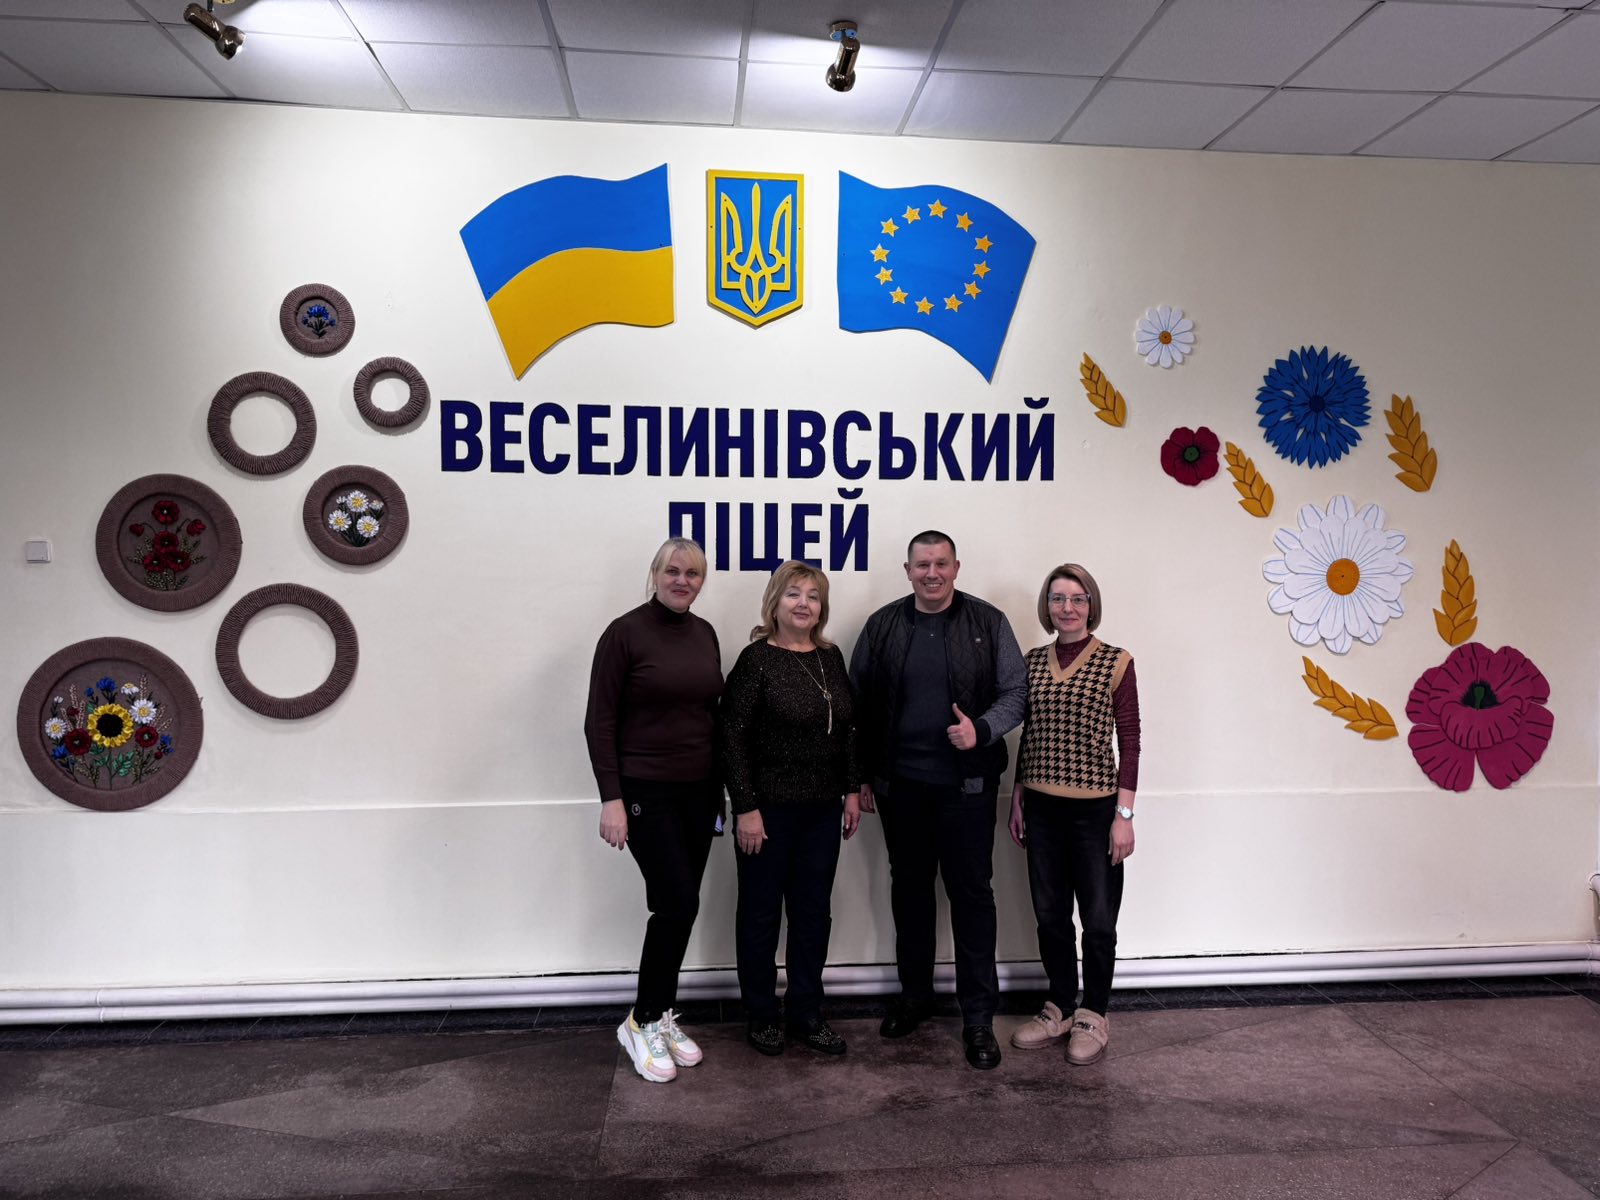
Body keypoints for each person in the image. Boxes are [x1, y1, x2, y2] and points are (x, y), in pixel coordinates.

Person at [849, 530, 1025, 1070]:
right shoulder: (882, 625)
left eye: (941, 563)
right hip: (900, 789)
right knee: (910, 894)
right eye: (922, 564)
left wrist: (983, 731)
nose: (932, 573)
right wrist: (862, 776)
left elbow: (1016, 692)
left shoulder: (988, 622)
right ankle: (915, 997)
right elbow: (858, 703)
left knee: (972, 897)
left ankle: (979, 1017)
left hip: (966, 790)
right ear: (907, 571)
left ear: (956, 567)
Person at [584, 537, 724, 1084]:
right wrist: (611, 798)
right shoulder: (624, 633)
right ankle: (641, 1021)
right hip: (646, 790)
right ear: (656, 573)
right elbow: (600, 721)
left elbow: (710, 714)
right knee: (676, 902)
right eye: (673, 571)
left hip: (700, 792)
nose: (682, 581)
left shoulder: (705, 633)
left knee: (681, 908)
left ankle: (661, 1014)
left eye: (693, 573)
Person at [722, 561, 861, 1057]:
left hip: (822, 811)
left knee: (812, 914)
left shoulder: (830, 657)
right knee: (761, 915)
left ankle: (806, 1011)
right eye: (793, 594)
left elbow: (848, 729)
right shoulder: (756, 659)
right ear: (775, 602)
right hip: (767, 813)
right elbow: (731, 739)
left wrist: (850, 790)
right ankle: (762, 1013)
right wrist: (746, 807)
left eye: (813, 596)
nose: (804, 604)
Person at [1007, 562, 1140, 1066]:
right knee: (1050, 915)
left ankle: (1093, 1014)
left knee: (1099, 920)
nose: (1068, 608)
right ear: (1047, 606)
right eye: (1058, 598)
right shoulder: (1032, 662)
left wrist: (1124, 814)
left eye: (1078, 599)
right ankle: (1060, 1006)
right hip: (1042, 808)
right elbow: (1031, 733)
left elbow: (1131, 740)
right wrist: (1019, 792)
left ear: (1091, 605)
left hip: (1095, 812)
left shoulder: (1116, 662)